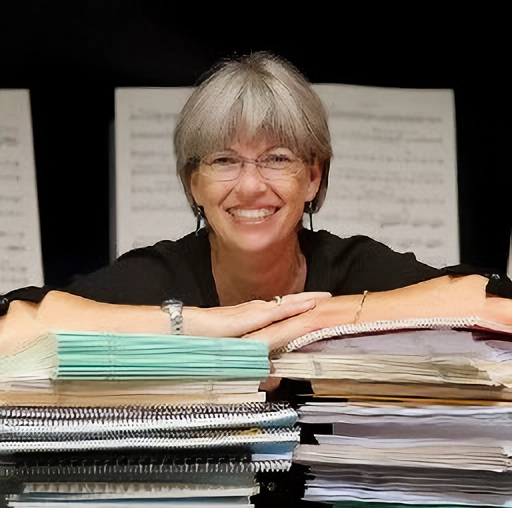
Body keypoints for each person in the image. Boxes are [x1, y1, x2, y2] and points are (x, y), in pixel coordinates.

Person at [1, 51, 512, 358]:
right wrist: (203, 325)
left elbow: (498, 306)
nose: (249, 187)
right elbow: (13, 326)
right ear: (193, 182)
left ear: (312, 177)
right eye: (224, 160)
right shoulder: (159, 276)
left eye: (276, 158)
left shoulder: (348, 265)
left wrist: (317, 318)